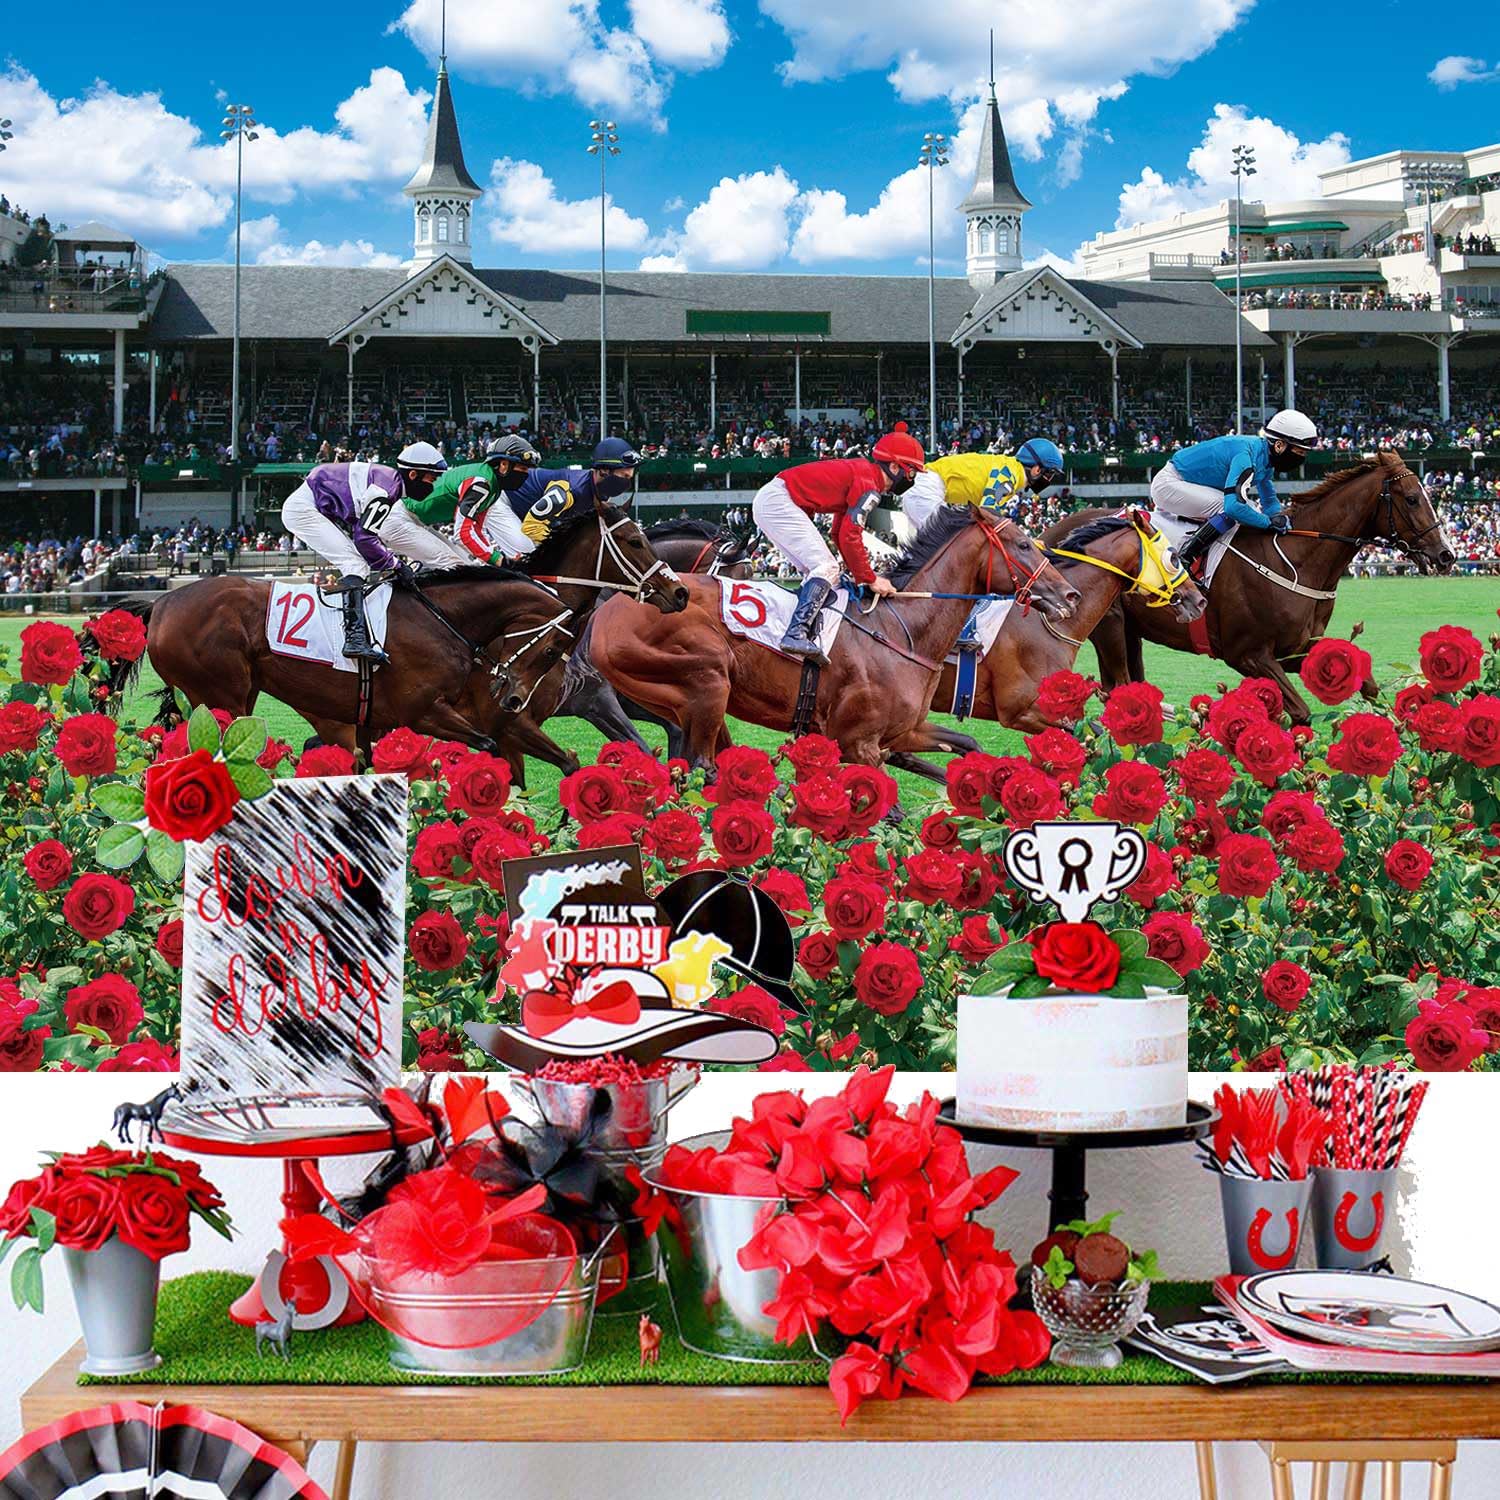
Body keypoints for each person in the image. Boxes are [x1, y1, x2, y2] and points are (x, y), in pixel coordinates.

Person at [751, 421, 926, 663]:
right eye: (912, 472)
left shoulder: (864, 474)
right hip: (778, 501)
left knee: (819, 571)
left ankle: (801, 631)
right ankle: (795, 633)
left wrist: (860, 573)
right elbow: (848, 535)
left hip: (774, 499)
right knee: (827, 568)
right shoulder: (870, 485)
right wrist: (870, 578)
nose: (912, 479)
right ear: (895, 467)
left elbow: (838, 532)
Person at [278, 441, 452, 663]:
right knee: (355, 565)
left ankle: (358, 634)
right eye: (432, 478)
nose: (434, 484)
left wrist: (394, 564)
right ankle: (354, 639)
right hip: (304, 509)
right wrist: (397, 566)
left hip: (311, 504)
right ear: (414, 474)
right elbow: (364, 538)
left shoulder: (391, 483)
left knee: (358, 563)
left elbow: (367, 535)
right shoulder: (387, 488)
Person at [1149, 409, 1320, 568]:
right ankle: (1186, 557)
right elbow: (1233, 507)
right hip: (1169, 483)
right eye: (1300, 452)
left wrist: (1281, 519)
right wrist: (1269, 523)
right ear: (1280, 445)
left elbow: (1269, 500)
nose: (1302, 457)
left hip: (1186, 483)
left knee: (1252, 509)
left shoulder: (1265, 459)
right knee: (1232, 509)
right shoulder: (1245, 456)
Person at [453, 436, 640, 564]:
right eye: (624, 475)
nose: (627, 481)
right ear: (604, 470)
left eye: (629, 477)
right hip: (501, 499)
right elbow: (532, 526)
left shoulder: (598, 494)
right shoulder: (572, 489)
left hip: (520, 511)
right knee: (528, 554)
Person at [402, 435, 542, 560]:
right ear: (504, 465)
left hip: (417, 521)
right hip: (403, 517)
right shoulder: (482, 483)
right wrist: (499, 561)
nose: (526, 474)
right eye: (523, 469)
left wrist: (498, 558)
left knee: (464, 563)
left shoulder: (493, 487)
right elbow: (462, 534)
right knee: (454, 565)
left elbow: (477, 530)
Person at [903, 438, 1066, 531]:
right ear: (1037, 469)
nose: (1049, 480)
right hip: (927, 489)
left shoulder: (1009, 468)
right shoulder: (1011, 474)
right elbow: (988, 509)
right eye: (1049, 474)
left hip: (925, 488)